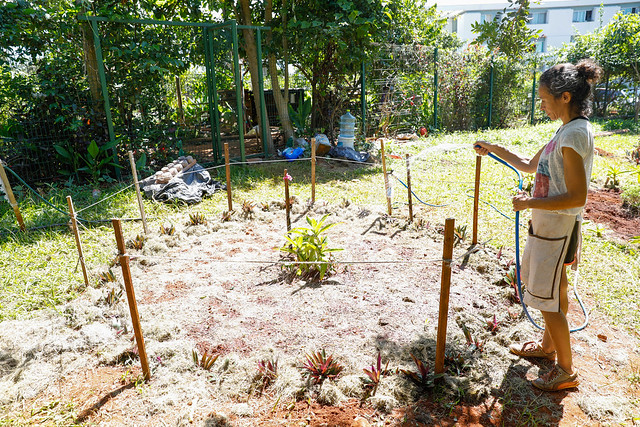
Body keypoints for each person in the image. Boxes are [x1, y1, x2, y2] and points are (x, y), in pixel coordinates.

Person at [474, 59, 602, 391]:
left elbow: (576, 197)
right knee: (554, 294)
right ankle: (547, 349)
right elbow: (529, 166)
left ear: (564, 97)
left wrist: (529, 202)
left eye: (545, 98)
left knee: (548, 300)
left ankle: (566, 372)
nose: (541, 104)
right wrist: (493, 148)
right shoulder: (566, 130)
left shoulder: (574, 135)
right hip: (550, 229)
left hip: (555, 231)